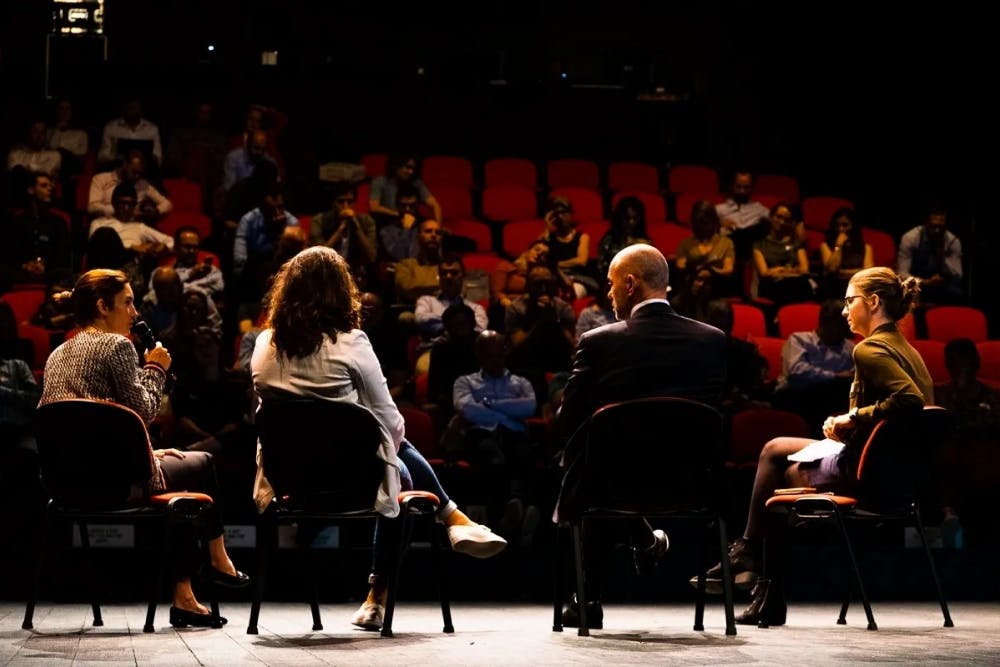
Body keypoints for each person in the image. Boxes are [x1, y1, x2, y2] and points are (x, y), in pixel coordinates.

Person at [249, 246, 507, 632]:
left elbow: (272, 415)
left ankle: (452, 517)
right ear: (342, 291)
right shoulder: (352, 342)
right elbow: (392, 422)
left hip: (290, 481)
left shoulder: (263, 343)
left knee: (389, 453)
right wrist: (377, 437)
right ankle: (382, 592)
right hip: (354, 482)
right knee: (396, 463)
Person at [698, 267, 933, 626]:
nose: (844, 311)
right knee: (775, 448)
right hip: (899, 476)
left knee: (776, 485)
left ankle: (759, 576)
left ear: (872, 302)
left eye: (850, 300)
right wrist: (851, 424)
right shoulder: (909, 351)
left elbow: (910, 401)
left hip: (866, 475)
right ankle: (751, 562)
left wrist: (852, 419)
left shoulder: (869, 349)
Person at [37, 269, 249, 628]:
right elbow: (144, 410)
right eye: (128, 303)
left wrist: (147, 453)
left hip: (67, 484)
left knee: (181, 482)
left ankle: (187, 596)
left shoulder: (59, 352)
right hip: (115, 484)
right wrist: (156, 367)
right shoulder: (117, 346)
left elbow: (92, 423)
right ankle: (217, 560)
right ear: (103, 307)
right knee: (203, 463)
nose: (136, 313)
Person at [555, 244, 727, 627]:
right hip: (694, 484)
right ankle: (642, 543)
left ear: (630, 283)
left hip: (611, 486)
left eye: (612, 284)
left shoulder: (599, 342)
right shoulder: (712, 340)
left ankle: (587, 596)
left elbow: (568, 421)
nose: (609, 292)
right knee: (599, 460)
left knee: (587, 461)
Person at [771, 299, 856, 436]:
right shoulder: (799, 340)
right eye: (842, 326)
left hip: (832, 398)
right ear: (826, 323)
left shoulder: (850, 348)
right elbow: (796, 373)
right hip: (797, 396)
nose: (848, 331)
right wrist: (835, 377)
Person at [897, 203, 964, 305]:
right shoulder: (911, 238)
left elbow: (957, 273)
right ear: (926, 223)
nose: (937, 231)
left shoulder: (952, 241)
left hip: (943, 284)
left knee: (956, 292)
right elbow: (902, 273)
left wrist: (942, 256)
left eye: (940, 227)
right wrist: (925, 281)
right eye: (933, 226)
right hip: (917, 282)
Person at [750, 201, 814, 308]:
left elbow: (804, 270)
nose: (782, 222)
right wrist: (792, 270)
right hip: (772, 287)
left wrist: (778, 271)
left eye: (786, 220)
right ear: (771, 217)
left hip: (796, 285)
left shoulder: (796, 244)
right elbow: (764, 272)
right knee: (784, 287)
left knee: (800, 285)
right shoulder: (760, 245)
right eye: (778, 217)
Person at [675, 198, 736, 296]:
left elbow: (728, 269)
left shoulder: (725, 242)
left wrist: (710, 272)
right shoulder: (685, 243)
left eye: (706, 223)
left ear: (714, 221)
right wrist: (698, 272)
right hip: (690, 290)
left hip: (716, 291)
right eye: (699, 223)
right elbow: (680, 266)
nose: (703, 227)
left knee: (720, 308)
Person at [368, 153, 442, 226]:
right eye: (408, 167)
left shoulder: (416, 183)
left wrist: (438, 228)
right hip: (388, 220)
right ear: (396, 165)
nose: (411, 172)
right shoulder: (380, 181)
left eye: (413, 169)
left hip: (412, 221)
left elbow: (435, 206)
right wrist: (397, 214)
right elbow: (374, 207)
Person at [817, 207, 873, 300]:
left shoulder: (866, 248)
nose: (841, 229)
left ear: (853, 226)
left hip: (858, 291)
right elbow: (832, 269)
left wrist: (842, 272)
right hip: (834, 291)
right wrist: (838, 246)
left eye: (845, 225)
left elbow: (867, 273)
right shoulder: (825, 246)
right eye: (837, 225)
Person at [596, 196, 651, 280]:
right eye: (627, 218)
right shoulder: (610, 239)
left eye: (635, 218)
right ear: (620, 218)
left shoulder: (644, 239)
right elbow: (601, 268)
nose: (631, 222)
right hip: (615, 281)